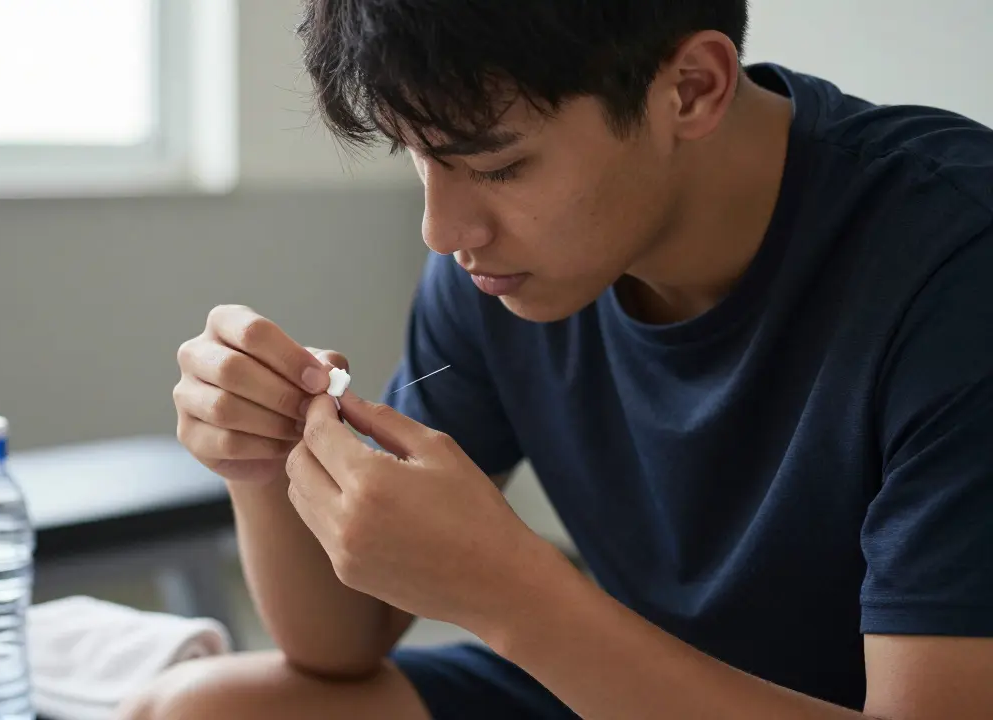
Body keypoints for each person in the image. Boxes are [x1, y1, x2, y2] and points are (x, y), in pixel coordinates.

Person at [131, 1, 993, 717]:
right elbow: (335, 644)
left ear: (691, 88)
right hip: (623, 681)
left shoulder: (956, 261)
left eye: (500, 166)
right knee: (204, 707)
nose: (443, 231)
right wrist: (260, 458)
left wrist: (511, 593)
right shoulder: (494, 274)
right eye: (420, 155)